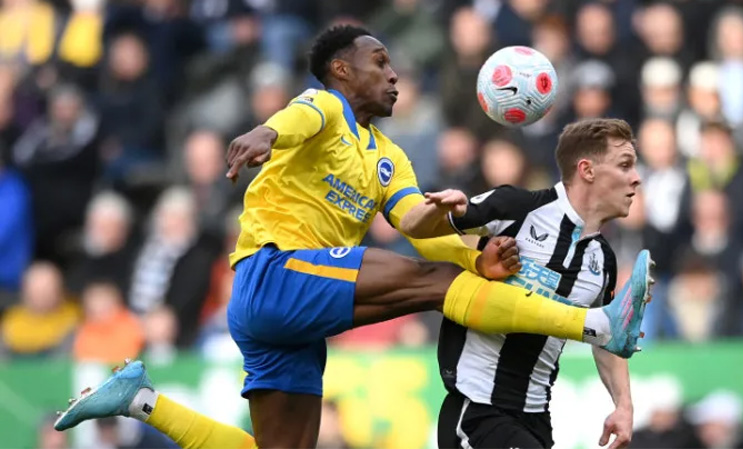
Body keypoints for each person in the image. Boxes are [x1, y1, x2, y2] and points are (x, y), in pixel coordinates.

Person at [53, 26, 650, 449]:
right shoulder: (325, 109)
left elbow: (415, 225)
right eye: (381, 62)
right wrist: (265, 131)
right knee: (441, 282)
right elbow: (300, 117)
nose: (394, 75)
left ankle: (139, 401)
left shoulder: (389, 157)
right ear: (344, 69)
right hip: (275, 275)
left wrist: (467, 239)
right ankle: (597, 324)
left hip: (293, 314)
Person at [400, 118, 653, 449]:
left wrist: (623, 405)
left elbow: (606, 336)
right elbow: (414, 229)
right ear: (587, 170)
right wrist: (436, 210)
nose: (636, 177)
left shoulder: (603, 260)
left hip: (536, 417)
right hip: (478, 410)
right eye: (625, 165)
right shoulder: (516, 207)